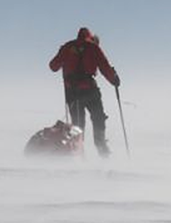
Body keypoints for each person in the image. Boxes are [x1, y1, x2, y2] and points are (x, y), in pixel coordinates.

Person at [50, 27, 120, 157]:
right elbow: (104, 66)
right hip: (90, 91)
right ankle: (102, 148)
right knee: (98, 118)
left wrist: (63, 55)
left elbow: (53, 66)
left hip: (72, 93)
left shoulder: (67, 47)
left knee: (78, 124)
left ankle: (78, 154)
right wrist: (114, 80)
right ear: (92, 38)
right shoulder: (93, 47)